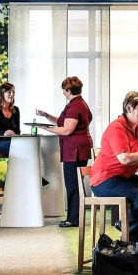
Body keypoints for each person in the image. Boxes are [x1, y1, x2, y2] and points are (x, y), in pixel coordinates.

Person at [90, 91, 138, 243]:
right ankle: (131, 241)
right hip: (104, 180)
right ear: (129, 108)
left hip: (123, 177)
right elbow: (124, 158)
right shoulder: (117, 128)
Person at [37, 76, 93, 228]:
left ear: (68, 90)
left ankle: (73, 219)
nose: (63, 92)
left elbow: (67, 129)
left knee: (72, 184)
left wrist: (47, 129)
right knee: (75, 183)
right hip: (80, 147)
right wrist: (46, 116)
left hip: (74, 149)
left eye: (64, 90)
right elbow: (63, 122)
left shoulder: (74, 106)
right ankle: (75, 217)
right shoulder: (81, 104)